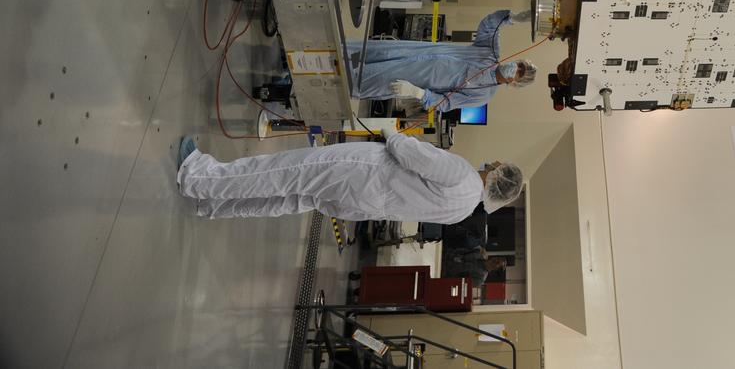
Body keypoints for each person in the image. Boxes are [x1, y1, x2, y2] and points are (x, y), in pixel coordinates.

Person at [175, 133, 524, 222]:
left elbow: (412, 156)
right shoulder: (464, 210)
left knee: (284, 172)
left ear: (496, 173)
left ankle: (199, 178)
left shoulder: (463, 174)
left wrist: (394, 135)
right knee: (291, 199)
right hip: (363, 204)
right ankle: (212, 206)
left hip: (361, 173)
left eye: (497, 164)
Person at [348, 9, 537, 111]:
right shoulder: (489, 53)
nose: (515, 67)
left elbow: (446, 102)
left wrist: (417, 93)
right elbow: (490, 25)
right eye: (519, 65)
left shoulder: (483, 95)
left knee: (356, 80)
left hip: (411, 78)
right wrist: (515, 18)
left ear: (514, 83)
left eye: (519, 73)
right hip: (407, 52)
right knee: (356, 52)